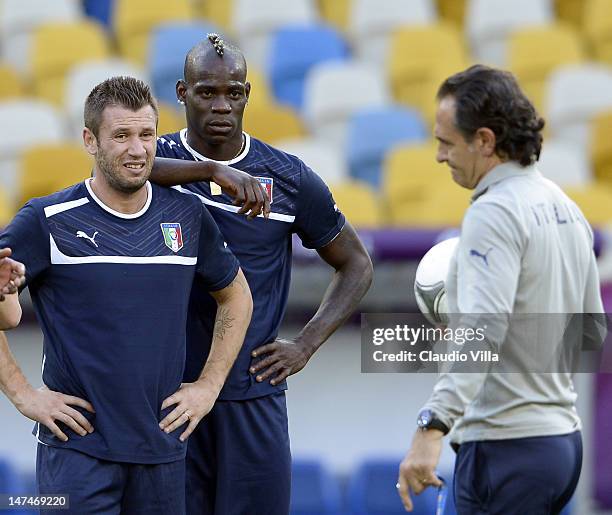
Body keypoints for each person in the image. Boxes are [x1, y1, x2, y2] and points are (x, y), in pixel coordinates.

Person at [0, 76, 253, 514]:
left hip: (164, 454)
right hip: (76, 455)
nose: (137, 150)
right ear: (89, 140)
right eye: (121, 136)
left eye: (146, 134)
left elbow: (237, 297)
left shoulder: (187, 215)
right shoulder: (47, 219)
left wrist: (209, 387)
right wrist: (23, 393)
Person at [152, 33, 373, 514]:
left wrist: (305, 344)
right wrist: (211, 171)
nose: (221, 106)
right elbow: (117, 169)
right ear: (182, 93)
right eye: (207, 92)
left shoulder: (288, 177)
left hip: (252, 396)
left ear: (248, 94)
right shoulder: (153, 160)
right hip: (170, 395)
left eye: (233, 92)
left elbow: (356, 263)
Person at [397, 65, 605, 514]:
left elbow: (482, 331)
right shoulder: (567, 208)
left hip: (505, 449)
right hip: (561, 446)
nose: (438, 155)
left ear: (485, 141)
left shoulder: (492, 214)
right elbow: (591, 335)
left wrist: (431, 426)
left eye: (446, 142)